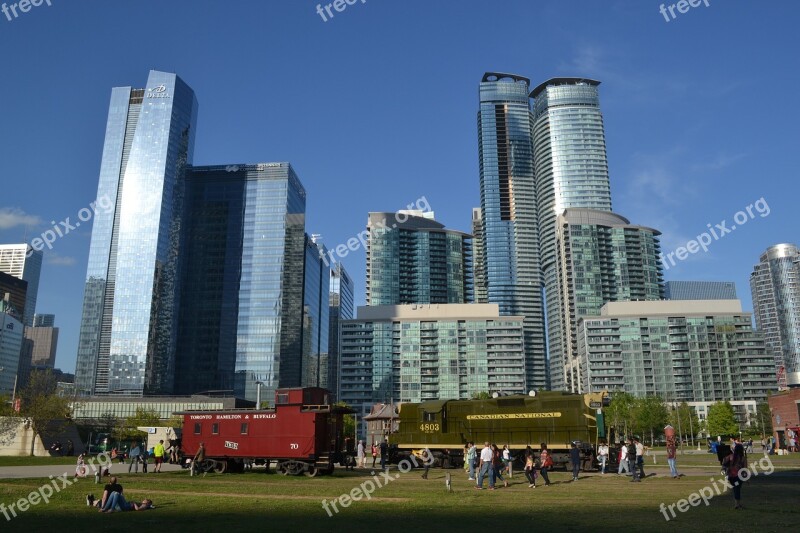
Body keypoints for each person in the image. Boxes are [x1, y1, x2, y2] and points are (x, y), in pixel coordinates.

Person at [722, 442, 747, 509]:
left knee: (735, 488)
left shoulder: (731, 456)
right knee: (737, 489)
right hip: (738, 477)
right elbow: (745, 469)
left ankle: (737, 504)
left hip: (731, 476)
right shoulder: (743, 458)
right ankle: (737, 504)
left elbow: (724, 461)